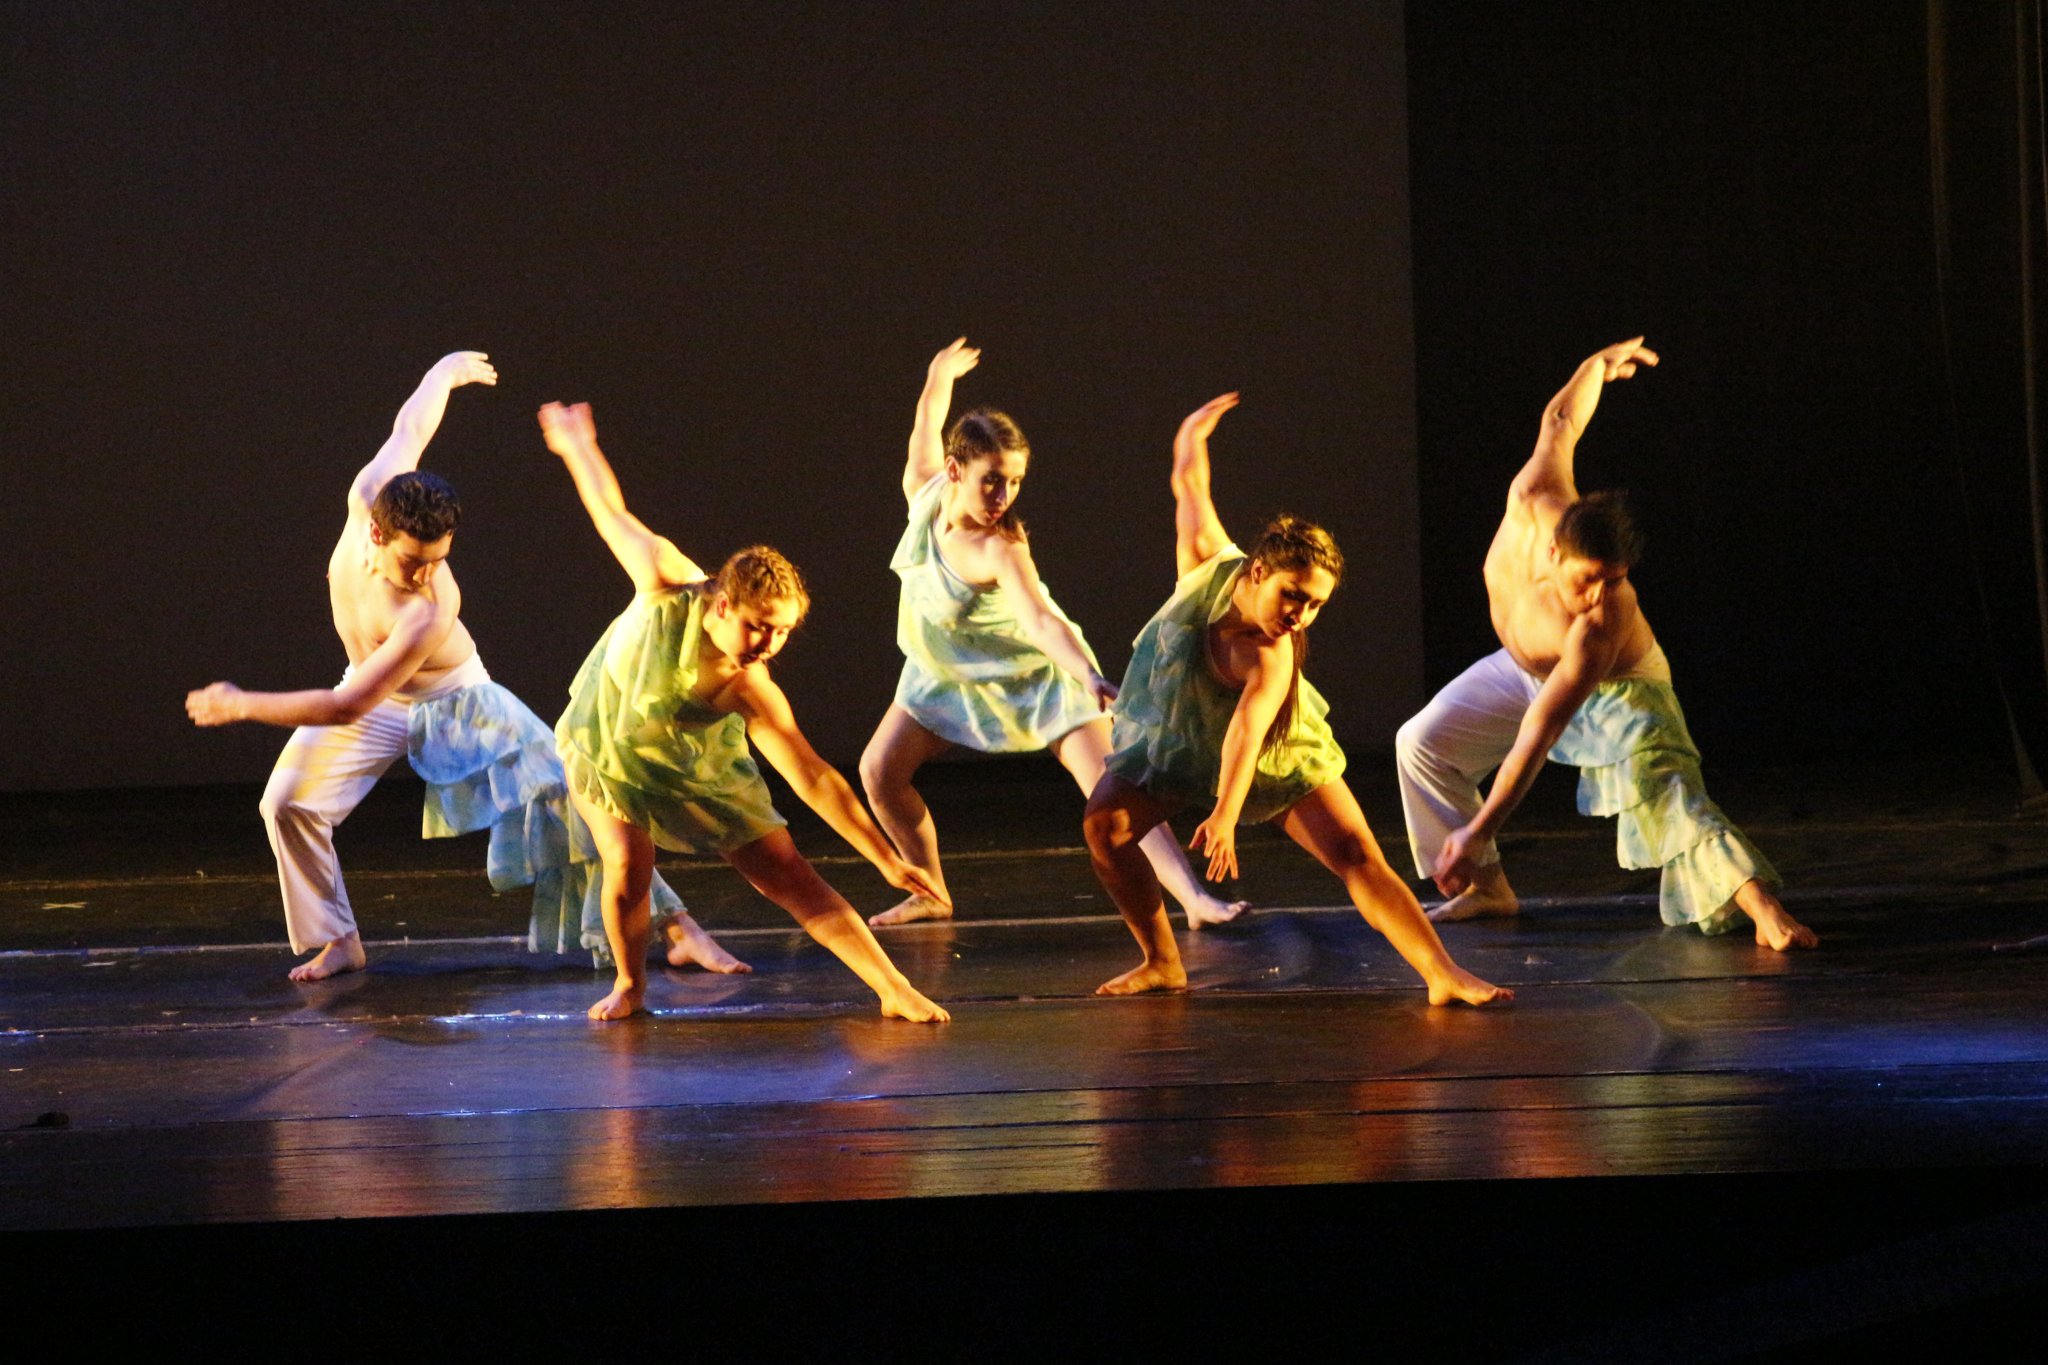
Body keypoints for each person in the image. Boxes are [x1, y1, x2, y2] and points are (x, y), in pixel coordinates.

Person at [186, 352, 735, 981]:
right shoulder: (367, 494)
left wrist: (242, 703)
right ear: (376, 533)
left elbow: (345, 708)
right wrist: (443, 374)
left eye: (438, 559)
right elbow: (410, 428)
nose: (427, 574)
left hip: (456, 699)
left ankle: (680, 928)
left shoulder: (429, 610)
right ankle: (339, 940)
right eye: (414, 561)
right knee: (287, 804)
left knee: (571, 799)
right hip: (372, 689)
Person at [1081, 392, 1512, 1004]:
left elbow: (1248, 731)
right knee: (1105, 828)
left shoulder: (1271, 653)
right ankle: (1162, 962)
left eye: (1315, 606)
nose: (1300, 616)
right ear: (1257, 571)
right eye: (1293, 596)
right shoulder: (1206, 562)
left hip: (1271, 754)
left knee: (1355, 852)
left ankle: (1444, 975)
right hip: (1181, 740)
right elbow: (1189, 485)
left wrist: (1225, 814)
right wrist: (1192, 434)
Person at [1393, 337, 1816, 950]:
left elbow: (1537, 735)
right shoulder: (1532, 496)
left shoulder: (1601, 623)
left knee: (1664, 791)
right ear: (1553, 550)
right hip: (1523, 670)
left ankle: (1761, 906)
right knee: (1421, 743)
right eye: (1589, 579)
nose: (1598, 594)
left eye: (1613, 580)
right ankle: (1487, 888)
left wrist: (1479, 827)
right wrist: (1592, 368)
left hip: (1619, 687)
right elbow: (1560, 422)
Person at [539, 400, 952, 1022]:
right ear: (724, 604)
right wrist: (577, 446)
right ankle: (630, 984)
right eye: (759, 626)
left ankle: (893, 988)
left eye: (781, 632)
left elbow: (813, 776)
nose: (768, 644)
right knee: (626, 867)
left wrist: (884, 857)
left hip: (697, 766)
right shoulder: (663, 578)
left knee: (789, 874)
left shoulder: (749, 687)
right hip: (610, 746)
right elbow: (609, 510)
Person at [860, 338, 1245, 929]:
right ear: (955, 471)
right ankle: (931, 890)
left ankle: (1193, 900)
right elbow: (927, 423)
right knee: (879, 773)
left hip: (1038, 672)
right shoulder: (924, 490)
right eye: (992, 481)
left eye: (1014, 482)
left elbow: (1042, 620)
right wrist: (940, 374)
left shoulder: (1000, 548)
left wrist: (1086, 673)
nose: (1004, 497)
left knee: (1113, 790)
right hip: (943, 670)